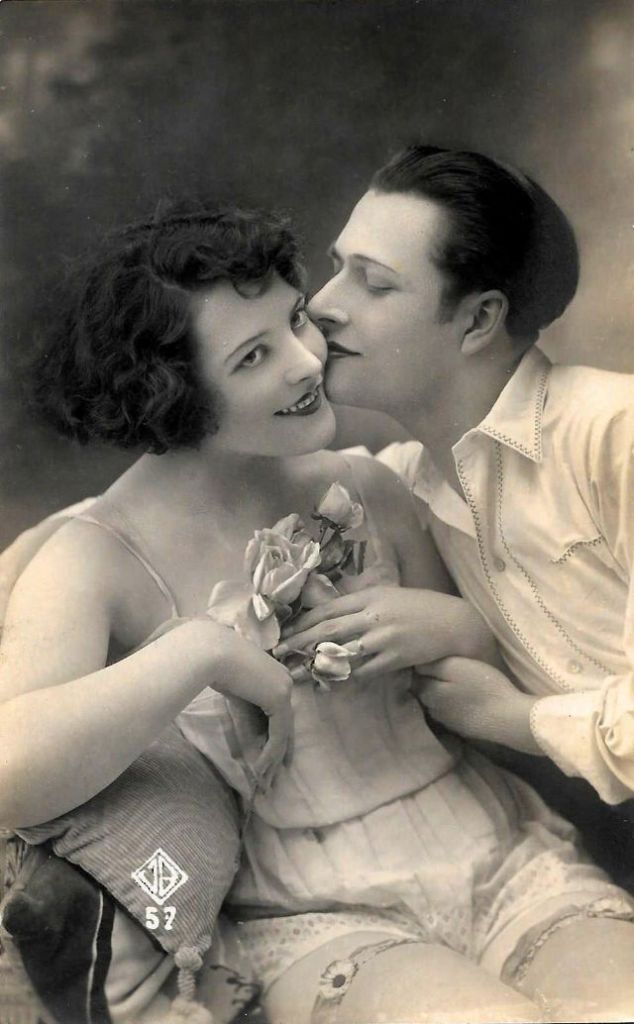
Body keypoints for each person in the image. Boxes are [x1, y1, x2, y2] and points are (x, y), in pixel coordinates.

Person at [1, 200, 634, 1024]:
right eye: (254, 355)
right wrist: (196, 651)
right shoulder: (93, 559)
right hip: (317, 915)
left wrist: (452, 627)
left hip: (505, 858)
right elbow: (10, 775)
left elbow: (495, 685)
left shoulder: (366, 487)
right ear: (169, 391)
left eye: (296, 319)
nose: (307, 361)